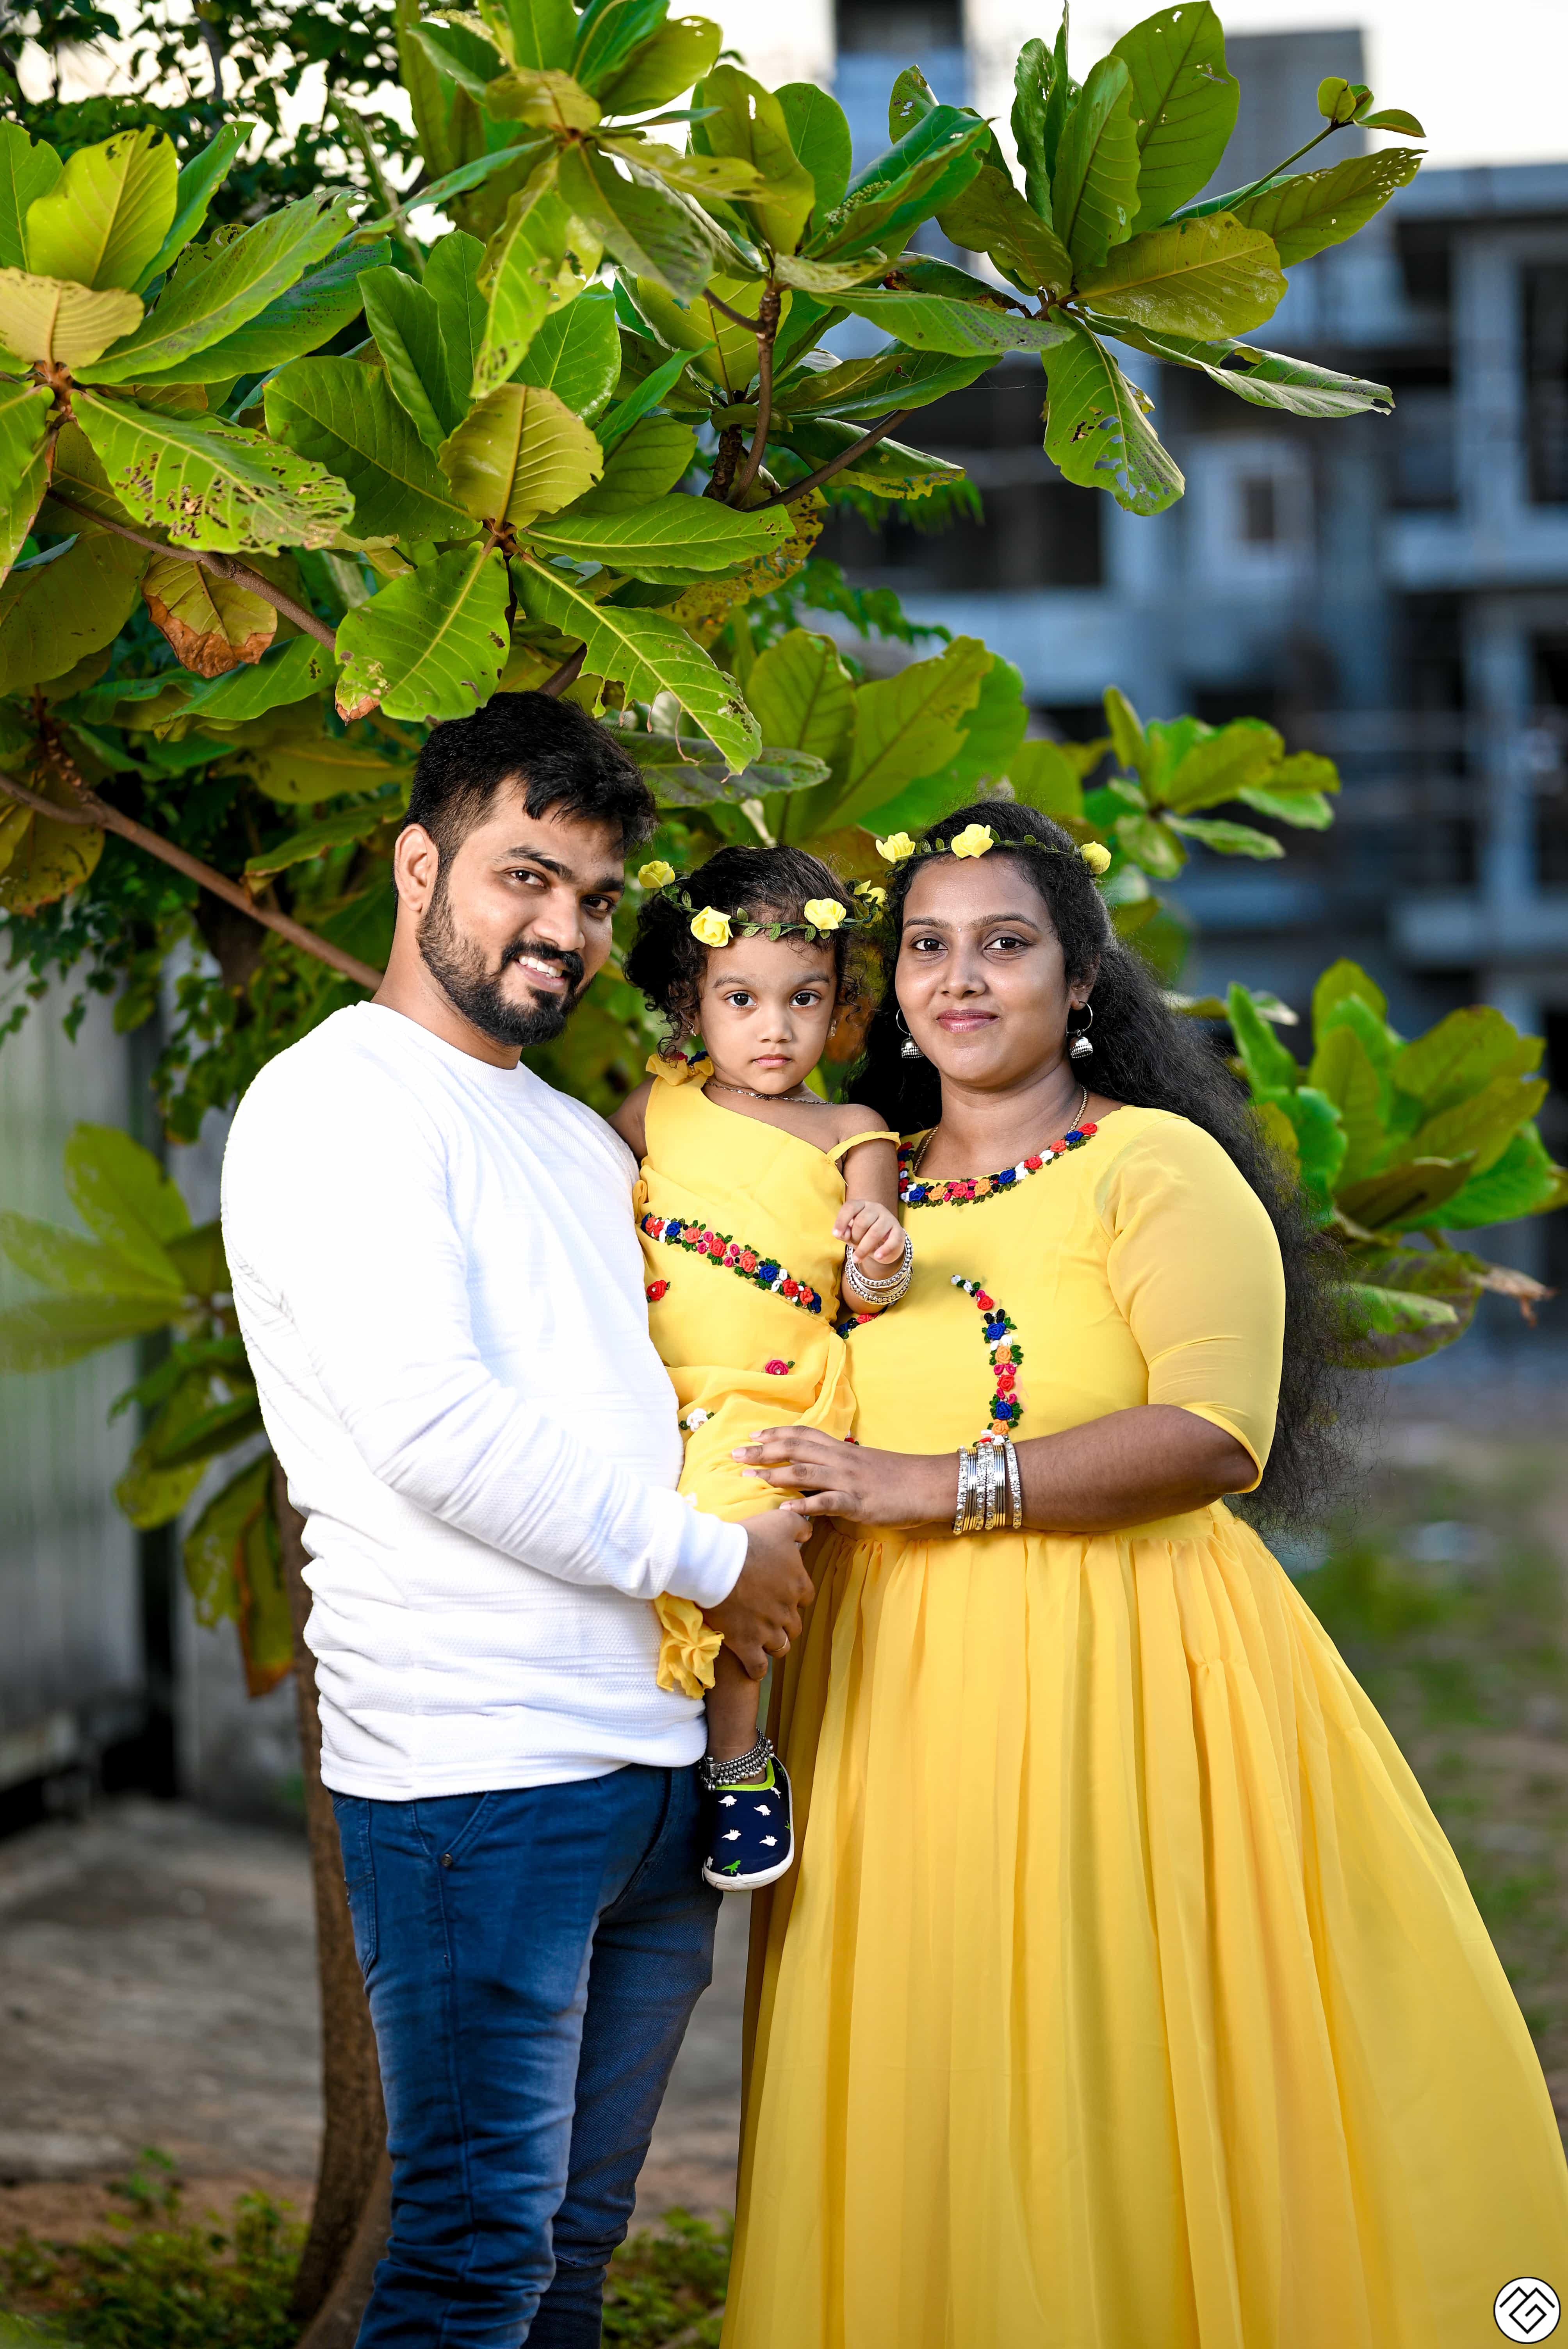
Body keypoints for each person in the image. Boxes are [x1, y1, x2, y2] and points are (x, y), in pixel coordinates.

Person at [722, 800, 1568, 2349]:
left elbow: (1214, 1434)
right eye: (926, 945)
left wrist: (928, 1485)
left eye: (1003, 944)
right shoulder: (852, 1189)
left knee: (1102, 2050)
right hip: (886, 1698)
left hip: (1122, 1678)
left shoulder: (1153, 1166)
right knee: (929, 2058)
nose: (959, 978)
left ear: (1081, 980)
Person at [220, 692, 812, 2349]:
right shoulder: (339, 1106)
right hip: (477, 1784)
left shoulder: (572, 1139)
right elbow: (433, 1431)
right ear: (421, 866)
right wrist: (721, 1564)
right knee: (474, 2265)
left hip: (649, 1777)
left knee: (571, 2256)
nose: (564, 929)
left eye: (596, 899)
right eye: (525, 878)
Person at [611, 845, 907, 1891]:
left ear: (840, 1005)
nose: (774, 1028)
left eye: (804, 998)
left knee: (746, 1540)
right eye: (741, 998)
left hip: (771, 1389)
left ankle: (738, 1761)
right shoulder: (655, 1111)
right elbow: (582, 1201)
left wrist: (880, 1253)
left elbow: (875, 1287)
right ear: (690, 1003)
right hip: (650, 1383)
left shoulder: (854, 1133)